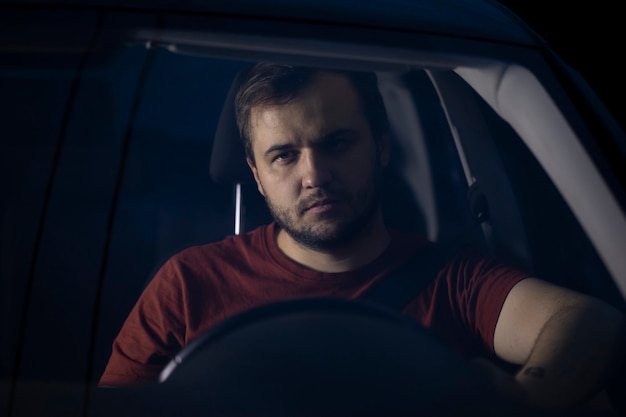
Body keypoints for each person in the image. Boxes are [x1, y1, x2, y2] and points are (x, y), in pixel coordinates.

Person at [99, 63, 625, 413]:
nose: (315, 174)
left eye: (338, 143)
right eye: (284, 155)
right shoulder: (189, 283)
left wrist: (520, 400)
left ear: (382, 148)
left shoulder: (453, 278)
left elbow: (586, 321)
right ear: (256, 176)